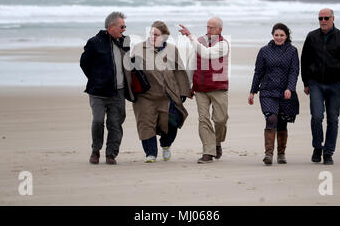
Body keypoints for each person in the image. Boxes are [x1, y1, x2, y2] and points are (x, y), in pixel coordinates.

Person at [301, 8, 340, 165]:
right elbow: (304, 60)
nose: (323, 21)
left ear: (333, 18)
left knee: (333, 119)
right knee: (317, 116)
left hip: (336, 85)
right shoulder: (312, 36)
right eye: (320, 18)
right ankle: (317, 147)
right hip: (315, 83)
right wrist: (306, 82)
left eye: (326, 18)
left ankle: (328, 152)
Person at [131, 21, 191, 163]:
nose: (153, 37)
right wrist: (128, 91)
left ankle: (166, 145)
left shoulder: (172, 49)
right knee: (146, 124)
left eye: (156, 35)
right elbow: (130, 72)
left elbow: (179, 71)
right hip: (145, 96)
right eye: (151, 33)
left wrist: (183, 91)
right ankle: (150, 154)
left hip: (167, 95)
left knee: (172, 123)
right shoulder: (139, 48)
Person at [80, 12, 134, 165]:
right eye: (122, 26)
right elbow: (84, 63)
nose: (124, 29)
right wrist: (96, 79)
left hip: (118, 92)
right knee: (98, 121)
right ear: (111, 26)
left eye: (125, 26)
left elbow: (128, 63)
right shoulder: (95, 42)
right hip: (98, 92)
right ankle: (95, 150)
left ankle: (111, 154)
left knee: (115, 124)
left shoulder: (125, 41)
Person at [179, 17, 229, 164]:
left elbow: (207, 53)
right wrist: (188, 86)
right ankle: (208, 151)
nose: (208, 30)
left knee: (220, 120)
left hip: (218, 88)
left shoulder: (223, 44)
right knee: (203, 119)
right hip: (200, 89)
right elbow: (191, 64)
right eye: (207, 27)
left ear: (220, 30)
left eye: (211, 27)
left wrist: (190, 36)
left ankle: (217, 142)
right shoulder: (199, 41)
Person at [248, 23, 300, 165]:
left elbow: (294, 71)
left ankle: (281, 153)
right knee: (271, 119)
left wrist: (290, 88)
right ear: (272, 35)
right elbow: (258, 72)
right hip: (267, 91)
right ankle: (269, 154)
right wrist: (252, 91)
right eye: (276, 35)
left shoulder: (292, 51)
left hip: (285, 92)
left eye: (281, 35)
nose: (279, 37)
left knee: (282, 123)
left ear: (286, 36)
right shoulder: (264, 51)